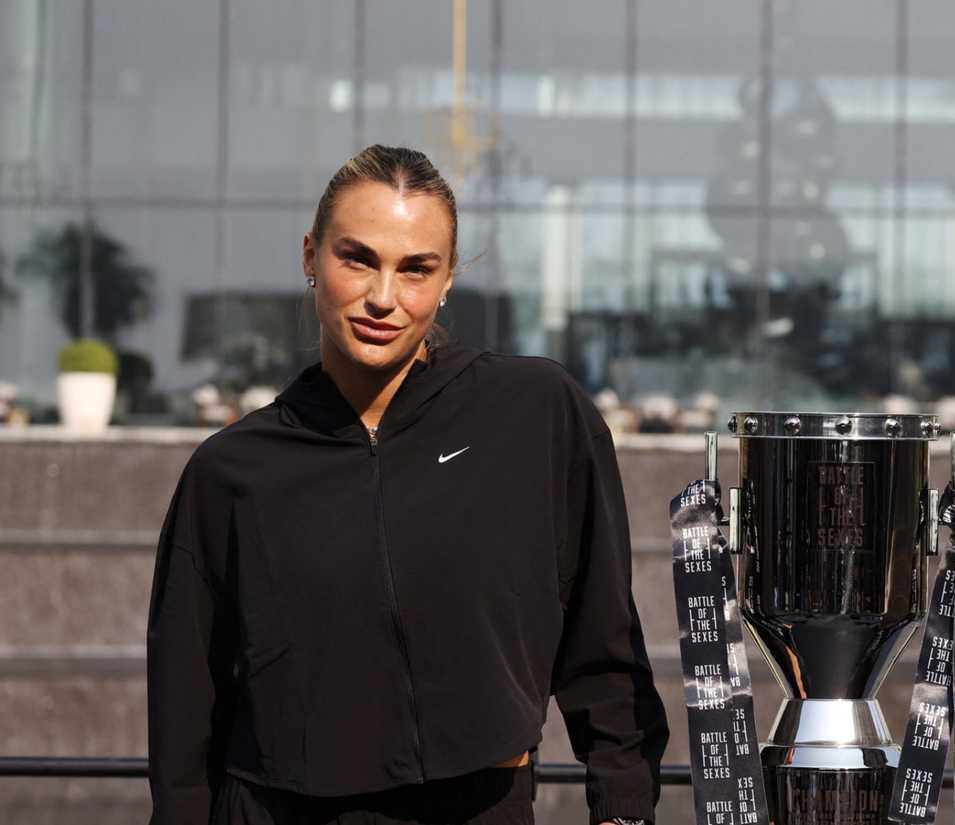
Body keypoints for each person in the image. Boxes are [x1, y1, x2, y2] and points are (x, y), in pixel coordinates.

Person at [147, 145, 669, 825]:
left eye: (416, 268)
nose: (383, 297)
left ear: (449, 277)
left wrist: (623, 806)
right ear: (311, 255)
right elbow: (185, 712)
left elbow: (603, 635)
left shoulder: (536, 412)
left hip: (480, 806)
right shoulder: (230, 472)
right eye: (357, 258)